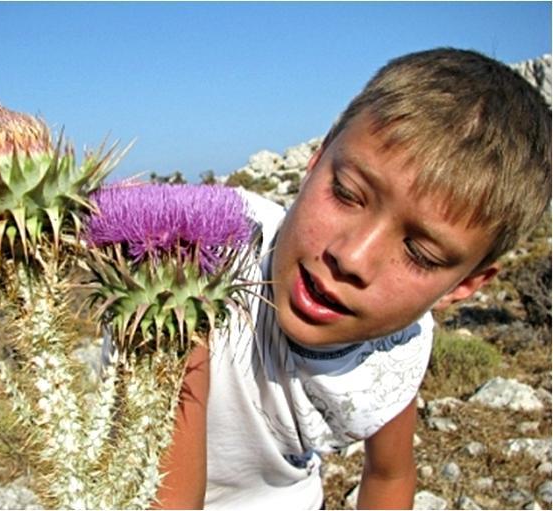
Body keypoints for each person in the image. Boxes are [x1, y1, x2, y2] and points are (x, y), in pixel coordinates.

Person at [154, 48, 551, 510]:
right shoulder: (205, 248)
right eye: (346, 193)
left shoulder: (396, 356)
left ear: (463, 286)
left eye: (421, 254)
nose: (352, 257)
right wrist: (179, 336)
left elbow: (389, 474)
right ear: (315, 161)